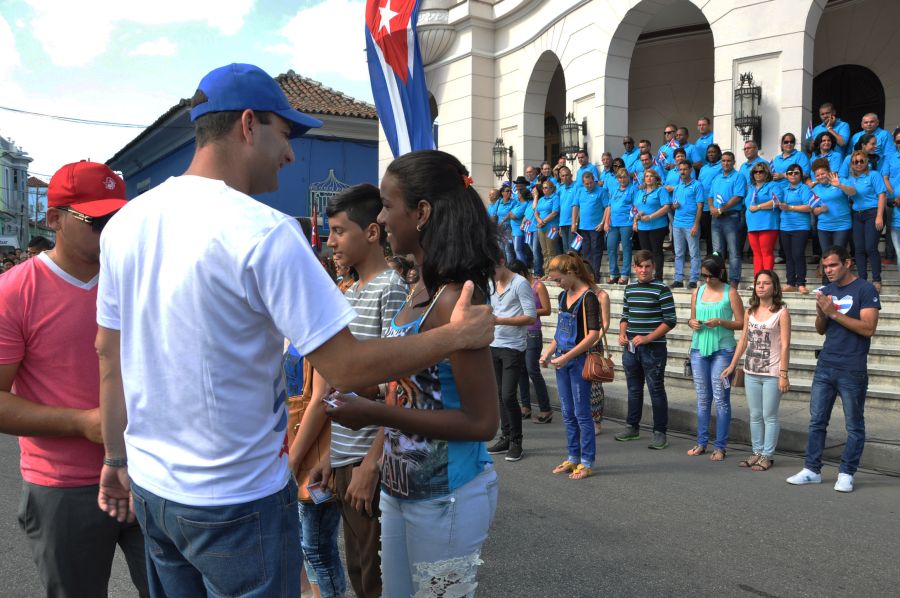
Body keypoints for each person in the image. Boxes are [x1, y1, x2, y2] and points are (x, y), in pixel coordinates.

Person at [94, 65, 495, 596]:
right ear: (247, 125)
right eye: (284, 135)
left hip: (153, 488)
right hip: (233, 499)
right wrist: (453, 337)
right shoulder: (264, 232)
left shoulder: (126, 223)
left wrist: (114, 459)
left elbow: (107, 352)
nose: (290, 154)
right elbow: (346, 367)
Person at [323, 149, 500, 596]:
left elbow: (482, 422)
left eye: (387, 204)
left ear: (421, 212)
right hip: (400, 488)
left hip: (447, 495)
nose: (380, 217)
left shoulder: (457, 298)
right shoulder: (419, 289)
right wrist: (365, 391)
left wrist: (377, 414)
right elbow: (416, 389)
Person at [0, 162, 149, 598]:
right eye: (96, 220)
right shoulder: (15, 292)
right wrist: (83, 422)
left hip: (150, 473)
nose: (110, 230)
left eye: (118, 219)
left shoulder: (140, 281)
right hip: (63, 486)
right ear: (54, 219)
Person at [296, 183, 409, 598]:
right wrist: (330, 457)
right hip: (346, 456)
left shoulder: (391, 289)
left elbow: (398, 387)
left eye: (339, 231)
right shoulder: (353, 291)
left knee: (375, 578)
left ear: (373, 233)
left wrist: (371, 464)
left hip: (368, 459)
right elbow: (335, 392)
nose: (330, 243)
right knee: (358, 570)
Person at [787, 246, 880, 492]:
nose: (827, 271)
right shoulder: (826, 291)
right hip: (826, 364)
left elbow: (868, 328)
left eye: (833, 266)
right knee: (817, 421)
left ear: (847, 263)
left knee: (854, 425)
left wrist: (833, 312)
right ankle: (811, 469)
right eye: (825, 267)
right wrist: (821, 314)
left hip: (852, 368)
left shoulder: (865, 289)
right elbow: (821, 329)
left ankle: (847, 472)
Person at [722, 269, 791, 472]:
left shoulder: (781, 312)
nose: (761, 286)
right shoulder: (750, 311)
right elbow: (743, 340)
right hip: (751, 370)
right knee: (755, 414)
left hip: (772, 372)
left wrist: (783, 374)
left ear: (774, 287)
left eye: (766, 283)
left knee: (769, 415)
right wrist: (733, 365)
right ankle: (757, 451)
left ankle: (767, 455)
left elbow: (786, 344)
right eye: (758, 283)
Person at [540, 253, 601, 479]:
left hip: (578, 360)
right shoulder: (563, 296)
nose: (557, 284)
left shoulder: (588, 298)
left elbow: (593, 335)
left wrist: (568, 356)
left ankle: (586, 461)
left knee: (582, 413)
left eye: (559, 280)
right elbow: (559, 332)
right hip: (562, 359)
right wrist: (548, 351)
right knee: (567, 413)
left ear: (572, 272)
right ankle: (573, 456)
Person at [615, 250, 677, 449]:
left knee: (656, 390)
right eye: (640, 266)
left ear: (654, 267)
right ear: (634, 268)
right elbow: (625, 316)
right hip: (631, 348)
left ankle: (660, 432)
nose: (643, 270)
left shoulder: (662, 289)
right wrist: (622, 333)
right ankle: (632, 427)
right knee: (633, 390)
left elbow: (670, 321)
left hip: (654, 349)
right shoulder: (630, 289)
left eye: (647, 266)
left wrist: (648, 338)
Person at [686, 254, 743, 461]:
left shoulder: (731, 292)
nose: (707, 280)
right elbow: (692, 318)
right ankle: (701, 442)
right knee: (702, 399)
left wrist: (721, 321)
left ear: (720, 274)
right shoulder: (697, 291)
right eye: (703, 276)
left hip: (723, 350)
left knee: (721, 399)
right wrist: (691, 322)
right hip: (698, 348)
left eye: (711, 276)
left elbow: (742, 323)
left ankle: (720, 446)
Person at [486, 256, 537, 462]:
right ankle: (505, 436)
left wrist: (499, 320)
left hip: (513, 347)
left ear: (501, 262)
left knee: (508, 395)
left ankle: (517, 440)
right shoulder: (492, 282)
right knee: (499, 394)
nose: (490, 276)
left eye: (491, 270)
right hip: (493, 343)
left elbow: (530, 316)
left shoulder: (520, 283)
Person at [509, 260, 553, 424]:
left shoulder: (538, 286)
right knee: (521, 370)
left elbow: (547, 309)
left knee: (532, 369)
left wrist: (528, 310)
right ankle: (525, 406)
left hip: (533, 331)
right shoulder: (517, 286)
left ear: (521, 273)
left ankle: (545, 408)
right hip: (519, 331)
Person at [847, 148, 888, 289]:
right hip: (857, 215)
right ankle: (862, 280)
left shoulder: (874, 175)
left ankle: (876, 280)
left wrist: (879, 216)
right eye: (855, 162)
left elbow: (882, 195)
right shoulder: (851, 179)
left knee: (870, 247)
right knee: (858, 248)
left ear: (866, 161)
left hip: (872, 213)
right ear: (851, 164)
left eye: (861, 161)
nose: (858, 164)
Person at [810, 159, 855, 277]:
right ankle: (826, 285)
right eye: (817, 175)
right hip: (824, 227)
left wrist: (839, 185)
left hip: (842, 225)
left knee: (837, 256)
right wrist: (820, 210)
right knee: (826, 256)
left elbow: (853, 192)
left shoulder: (840, 180)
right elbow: (814, 210)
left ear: (829, 172)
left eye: (823, 173)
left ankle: (841, 283)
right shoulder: (815, 189)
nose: (820, 177)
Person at [708, 151, 747, 288]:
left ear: (734, 162)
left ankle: (734, 281)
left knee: (733, 251)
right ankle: (719, 279)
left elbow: (738, 196)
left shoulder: (739, 177)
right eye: (723, 161)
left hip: (731, 217)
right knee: (717, 252)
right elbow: (710, 196)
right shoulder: (717, 178)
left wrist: (721, 209)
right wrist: (712, 208)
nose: (726, 163)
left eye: (728, 160)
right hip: (716, 219)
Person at [775, 165, 814, 293]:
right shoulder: (784, 188)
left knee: (798, 254)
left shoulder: (804, 188)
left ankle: (801, 282)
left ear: (801, 175)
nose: (793, 175)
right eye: (790, 173)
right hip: (785, 226)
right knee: (789, 256)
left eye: (796, 173)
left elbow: (809, 207)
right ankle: (790, 282)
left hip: (800, 226)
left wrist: (790, 207)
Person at [744, 161, 782, 278]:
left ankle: (767, 279)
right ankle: (757, 280)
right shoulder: (750, 188)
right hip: (752, 225)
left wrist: (759, 206)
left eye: (761, 171)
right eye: (756, 171)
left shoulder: (773, 186)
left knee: (766, 253)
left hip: (768, 224)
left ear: (766, 173)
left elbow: (776, 201)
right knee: (756, 254)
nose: (758, 174)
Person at [671, 160, 705, 288]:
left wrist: (696, 224)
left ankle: (693, 279)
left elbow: (700, 206)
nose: (683, 172)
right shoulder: (677, 187)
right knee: (678, 253)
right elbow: (674, 205)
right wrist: (674, 206)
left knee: (694, 253)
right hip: (677, 224)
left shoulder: (697, 185)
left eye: (685, 169)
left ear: (691, 170)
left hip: (690, 224)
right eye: (680, 169)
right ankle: (678, 279)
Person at [634, 168, 671, 281]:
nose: (648, 178)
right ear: (644, 179)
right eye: (646, 176)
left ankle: (658, 277)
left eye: (651, 176)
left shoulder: (661, 190)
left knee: (656, 252)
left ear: (656, 178)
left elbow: (666, 207)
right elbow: (636, 207)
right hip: (642, 227)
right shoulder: (640, 192)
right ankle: (647, 277)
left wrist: (650, 217)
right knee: (645, 253)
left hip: (657, 226)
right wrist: (636, 219)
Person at [604, 168, 638, 284]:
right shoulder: (615, 190)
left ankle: (624, 275)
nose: (622, 180)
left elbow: (635, 207)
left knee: (626, 248)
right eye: (620, 177)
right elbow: (609, 207)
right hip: (613, 224)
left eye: (624, 177)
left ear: (628, 177)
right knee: (611, 247)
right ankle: (613, 273)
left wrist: (634, 221)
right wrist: (606, 222)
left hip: (626, 223)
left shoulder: (633, 189)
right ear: (617, 179)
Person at [573, 171, 609, 278]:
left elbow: (607, 207)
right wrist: (574, 223)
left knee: (596, 252)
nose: (589, 185)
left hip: (596, 227)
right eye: (586, 184)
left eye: (590, 183)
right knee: (586, 252)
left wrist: (603, 223)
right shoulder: (580, 191)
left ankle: (595, 275)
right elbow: (575, 206)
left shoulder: (601, 191)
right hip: (583, 227)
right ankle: (587, 275)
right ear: (583, 183)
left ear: (594, 180)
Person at [698, 144, 722, 255]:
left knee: (717, 233)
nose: (711, 154)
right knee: (708, 233)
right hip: (704, 205)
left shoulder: (722, 166)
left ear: (718, 153)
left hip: (717, 205)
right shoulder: (703, 168)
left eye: (713, 152)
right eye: (709, 152)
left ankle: (719, 255)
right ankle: (709, 255)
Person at [535, 178, 561, 265]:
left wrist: (543, 222)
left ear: (552, 188)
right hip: (541, 228)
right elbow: (536, 213)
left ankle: (553, 273)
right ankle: (547, 272)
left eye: (546, 188)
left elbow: (554, 213)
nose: (544, 190)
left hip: (552, 227)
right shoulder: (541, 199)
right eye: (543, 188)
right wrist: (539, 221)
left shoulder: (555, 198)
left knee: (551, 251)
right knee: (544, 251)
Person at [556, 166, 578, 250]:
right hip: (563, 223)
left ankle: (574, 264)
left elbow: (577, 206)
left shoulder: (576, 187)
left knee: (573, 249)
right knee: (565, 249)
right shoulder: (560, 189)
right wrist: (560, 225)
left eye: (567, 175)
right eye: (563, 176)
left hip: (572, 223)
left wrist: (575, 223)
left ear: (571, 175)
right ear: (560, 177)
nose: (565, 177)